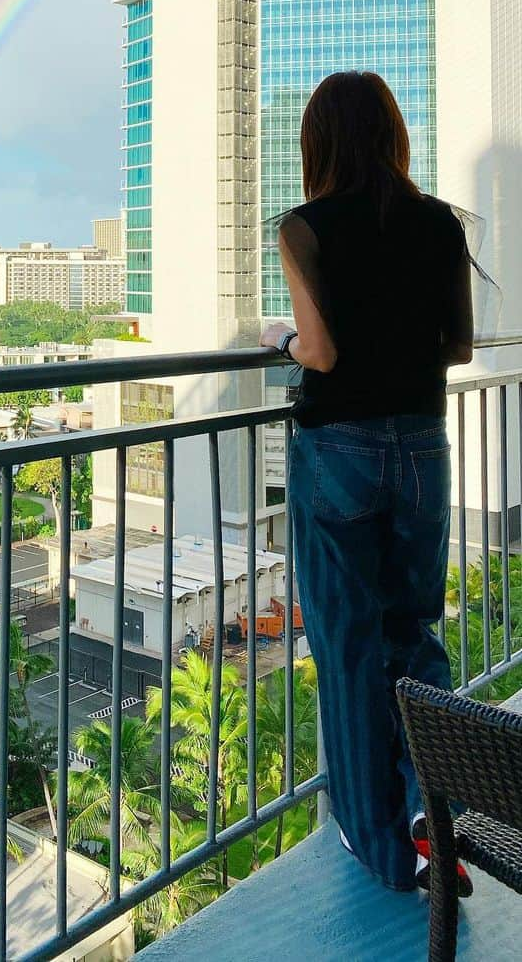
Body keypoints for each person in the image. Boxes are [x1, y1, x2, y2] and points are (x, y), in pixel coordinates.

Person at [260, 71, 474, 896]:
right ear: (393, 134)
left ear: (318, 143)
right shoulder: (437, 224)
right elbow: (457, 346)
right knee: (416, 633)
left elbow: (318, 353)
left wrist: (278, 336)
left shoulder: (305, 226)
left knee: (348, 648)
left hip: (339, 450)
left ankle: (379, 848)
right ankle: (435, 809)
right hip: (422, 444)